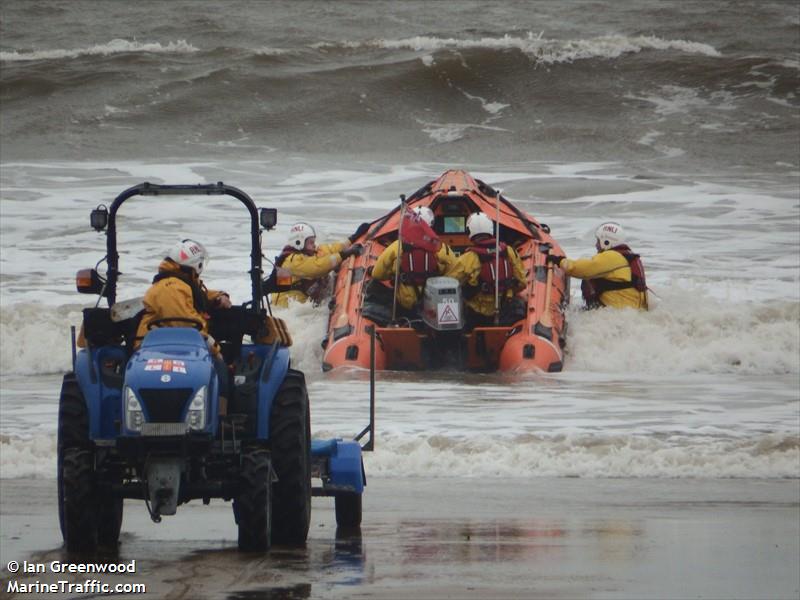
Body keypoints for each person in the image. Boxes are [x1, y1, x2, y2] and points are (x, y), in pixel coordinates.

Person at [135, 239, 233, 409]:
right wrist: (215, 348)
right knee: (219, 368)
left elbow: (198, 295)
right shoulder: (171, 287)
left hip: (169, 343)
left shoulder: (177, 283)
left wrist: (218, 296)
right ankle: (220, 414)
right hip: (161, 346)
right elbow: (185, 323)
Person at [367, 206, 456, 322]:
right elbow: (455, 274)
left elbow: (378, 274)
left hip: (404, 304)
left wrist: (394, 274)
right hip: (433, 304)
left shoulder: (397, 246)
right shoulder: (442, 249)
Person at [445, 212, 527, 328]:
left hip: (477, 315)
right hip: (505, 310)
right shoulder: (509, 252)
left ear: (470, 232)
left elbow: (449, 283)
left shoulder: (469, 258)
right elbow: (522, 282)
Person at [546, 221, 648, 310]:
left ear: (606, 242)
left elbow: (582, 269)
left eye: (598, 241)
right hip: (629, 312)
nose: (596, 245)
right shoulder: (626, 256)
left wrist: (560, 261)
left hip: (616, 312)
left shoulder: (612, 257)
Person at [267, 222, 367, 308]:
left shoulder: (311, 252)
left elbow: (331, 249)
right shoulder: (290, 261)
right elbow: (316, 267)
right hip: (285, 307)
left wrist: (353, 238)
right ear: (299, 242)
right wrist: (343, 255)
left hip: (304, 302)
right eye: (311, 242)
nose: (314, 245)